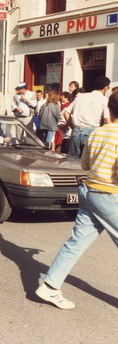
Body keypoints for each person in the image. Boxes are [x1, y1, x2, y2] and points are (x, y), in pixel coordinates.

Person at [35, 91, 118, 310]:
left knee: (76, 243)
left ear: (109, 109)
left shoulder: (98, 133)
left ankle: (50, 286)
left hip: (89, 191)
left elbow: (85, 164)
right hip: (109, 196)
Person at [63, 76, 111, 158]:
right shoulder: (104, 100)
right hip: (91, 132)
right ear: (106, 88)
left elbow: (66, 113)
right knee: (87, 163)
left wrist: (72, 126)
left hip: (76, 131)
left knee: (71, 164)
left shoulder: (81, 96)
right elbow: (107, 120)